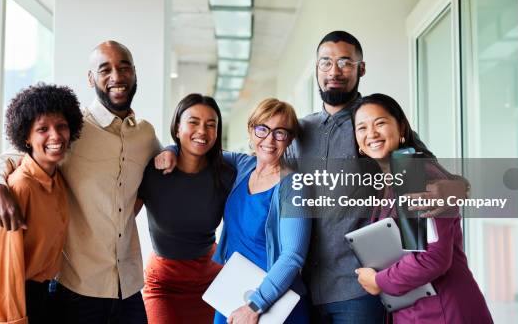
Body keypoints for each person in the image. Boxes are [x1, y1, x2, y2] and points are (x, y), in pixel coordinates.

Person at [286, 31, 469, 323]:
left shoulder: (382, 131)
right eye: (326, 62)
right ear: (316, 68)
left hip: (360, 288)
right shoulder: (300, 132)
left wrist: (458, 187)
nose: (335, 71)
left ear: (361, 68)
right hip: (308, 288)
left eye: (345, 62)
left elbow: (426, 168)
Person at [0, 41, 161, 323]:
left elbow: (161, 171)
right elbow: (12, 158)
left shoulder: (145, 135)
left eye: (124, 68)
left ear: (134, 73)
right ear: (91, 78)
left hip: (130, 285)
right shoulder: (70, 131)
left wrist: (171, 155)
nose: (117, 76)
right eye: (105, 69)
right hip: (77, 288)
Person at [157, 98, 311, 323]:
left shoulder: (294, 185)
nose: (269, 139)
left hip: (272, 302)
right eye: (262, 129)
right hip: (234, 290)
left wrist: (255, 305)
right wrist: (170, 149)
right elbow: (199, 148)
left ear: (289, 139)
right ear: (251, 130)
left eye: (280, 132)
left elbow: (293, 256)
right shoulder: (243, 165)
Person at [352, 93, 492, 323]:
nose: (371, 134)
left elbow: (432, 258)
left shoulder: (412, 173)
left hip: (443, 310)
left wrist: (378, 281)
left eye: (380, 123)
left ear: (402, 129)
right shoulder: (388, 181)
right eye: (362, 128)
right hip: (416, 310)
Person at [0, 83, 83, 324]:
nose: (55, 135)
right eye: (43, 129)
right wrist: (12, 320)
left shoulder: (58, 180)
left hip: (39, 297)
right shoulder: (19, 187)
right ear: (26, 137)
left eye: (61, 126)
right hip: (2, 303)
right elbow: (3, 269)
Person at [135, 94, 236, 324]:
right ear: (177, 128)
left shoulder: (226, 174)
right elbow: (123, 219)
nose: (202, 130)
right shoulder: (153, 171)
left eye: (211, 125)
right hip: (163, 283)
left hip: (210, 279)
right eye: (193, 122)